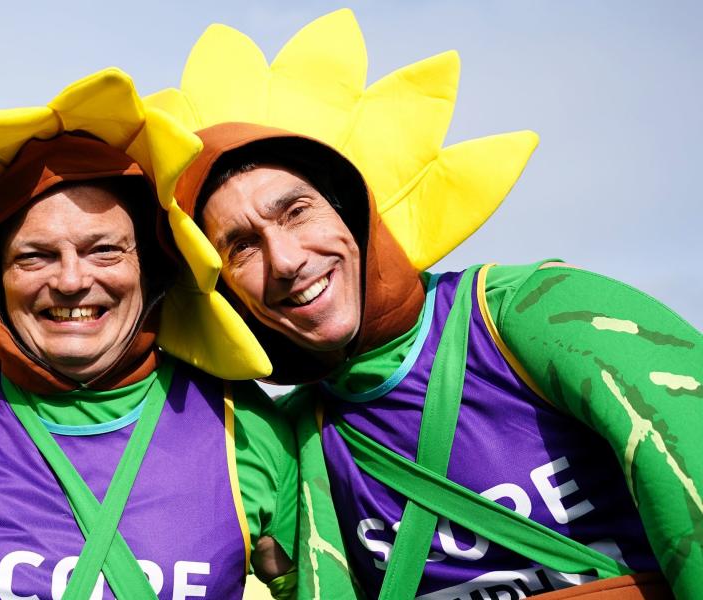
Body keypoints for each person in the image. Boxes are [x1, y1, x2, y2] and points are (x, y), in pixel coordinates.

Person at [172, 121, 703, 599]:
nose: (285, 261)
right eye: (241, 247)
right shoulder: (294, 439)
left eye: (296, 212)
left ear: (351, 210)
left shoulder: (535, 311)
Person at [0, 116, 298, 596]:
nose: (71, 280)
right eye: (35, 257)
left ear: (151, 271)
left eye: (104, 250)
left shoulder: (247, 430)